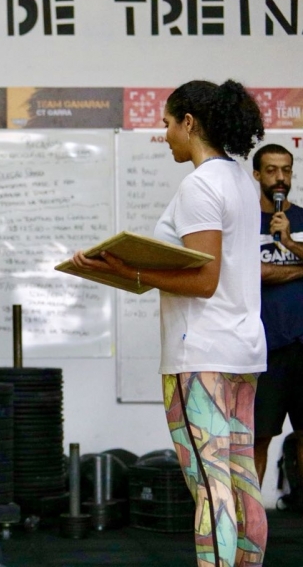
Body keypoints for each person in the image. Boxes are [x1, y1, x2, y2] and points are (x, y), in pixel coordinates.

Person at [71, 79, 267, 567]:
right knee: (241, 480)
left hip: (200, 353)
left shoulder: (202, 184)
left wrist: (128, 270)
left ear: (190, 123)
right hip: (242, 349)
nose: (165, 136)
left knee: (209, 485)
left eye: (167, 125)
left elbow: (203, 280)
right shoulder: (242, 179)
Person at [252, 143, 303, 498]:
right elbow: (251, 274)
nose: (280, 177)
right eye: (271, 169)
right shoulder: (243, 221)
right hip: (264, 349)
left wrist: (288, 241)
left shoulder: (300, 219)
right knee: (259, 437)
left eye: (285, 169)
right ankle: (249, 524)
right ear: (257, 174)